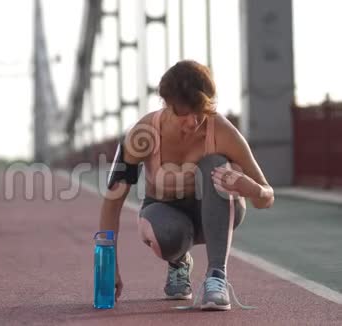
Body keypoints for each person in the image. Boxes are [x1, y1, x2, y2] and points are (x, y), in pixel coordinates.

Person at [101, 60, 274, 311]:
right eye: (184, 113)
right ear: (167, 105)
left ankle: (216, 278)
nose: (194, 123)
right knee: (168, 234)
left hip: (215, 216)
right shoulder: (143, 134)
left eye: (201, 112)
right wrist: (109, 270)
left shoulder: (222, 131)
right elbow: (112, 203)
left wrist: (251, 189)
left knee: (215, 162)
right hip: (163, 214)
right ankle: (178, 261)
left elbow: (266, 196)